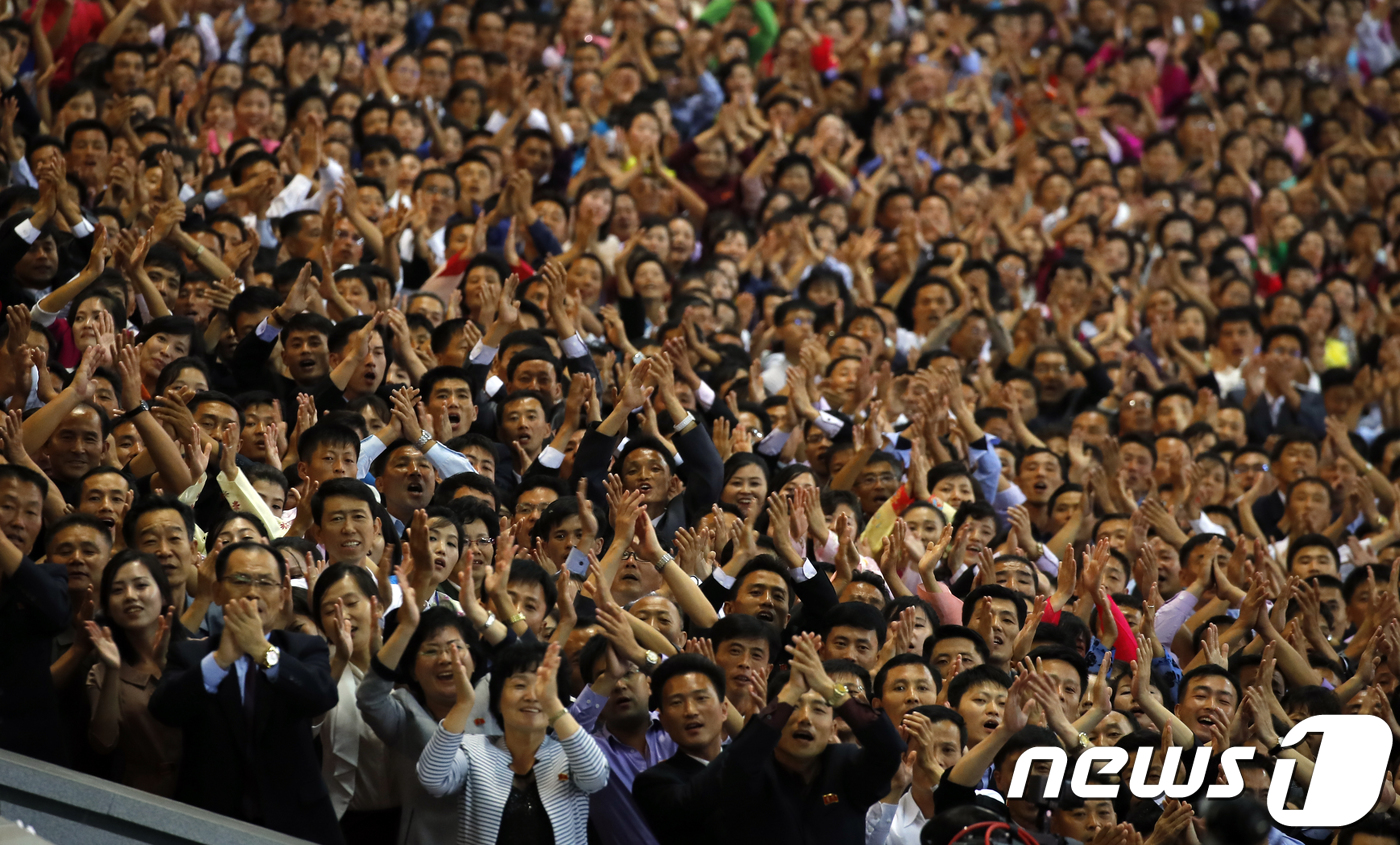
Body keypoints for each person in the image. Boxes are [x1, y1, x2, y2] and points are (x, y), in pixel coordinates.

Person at [149, 542, 343, 845]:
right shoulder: (190, 654)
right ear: (216, 592)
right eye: (240, 580)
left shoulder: (304, 648)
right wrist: (220, 661)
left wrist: (263, 652)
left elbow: (322, 696)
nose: (253, 592)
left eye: (265, 582)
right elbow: (164, 709)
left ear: (282, 597)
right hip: (209, 820)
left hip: (295, 821)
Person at [417, 640, 610, 844]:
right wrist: (463, 704)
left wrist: (552, 703)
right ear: (498, 700)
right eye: (520, 685)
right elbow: (432, 779)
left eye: (543, 687)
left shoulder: (571, 753)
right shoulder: (472, 750)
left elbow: (596, 777)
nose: (532, 696)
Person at [84, 550, 182, 796]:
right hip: (141, 794)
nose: (130, 597)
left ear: (162, 594)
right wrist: (114, 670)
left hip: (201, 790)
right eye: (117, 590)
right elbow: (104, 743)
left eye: (141, 586)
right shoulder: (101, 672)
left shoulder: (196, 652)